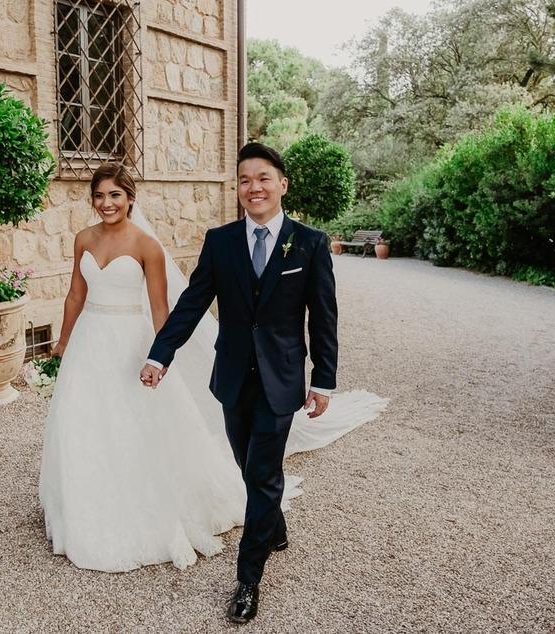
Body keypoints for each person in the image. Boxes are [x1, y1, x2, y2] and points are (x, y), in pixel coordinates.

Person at [141, 142, 340, 624]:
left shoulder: (310, 243)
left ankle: (248, 579)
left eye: (263, 178)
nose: (254, 187)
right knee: (247, 462)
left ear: (282, 184)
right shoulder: (221, 240)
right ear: (238, 190)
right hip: (232, 376)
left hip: (282, 377)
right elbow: (192, 302)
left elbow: (324, 318)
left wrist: (324, 382)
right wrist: (160, 353)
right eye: (245, 180)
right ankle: (273, 524)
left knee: (264, 470)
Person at [39, 162, 249, 572]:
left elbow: (159, 307)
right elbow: (74, 295)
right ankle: (84, 502)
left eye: (114, 195)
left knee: (131, 421)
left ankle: (140, 503)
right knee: (78, 418)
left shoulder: (146, 245)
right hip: (87, 342)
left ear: (130, 198)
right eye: (99, 196)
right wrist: (63, 341)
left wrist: (161, 356)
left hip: (129, 343)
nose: (106, 203)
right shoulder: (83, 238)